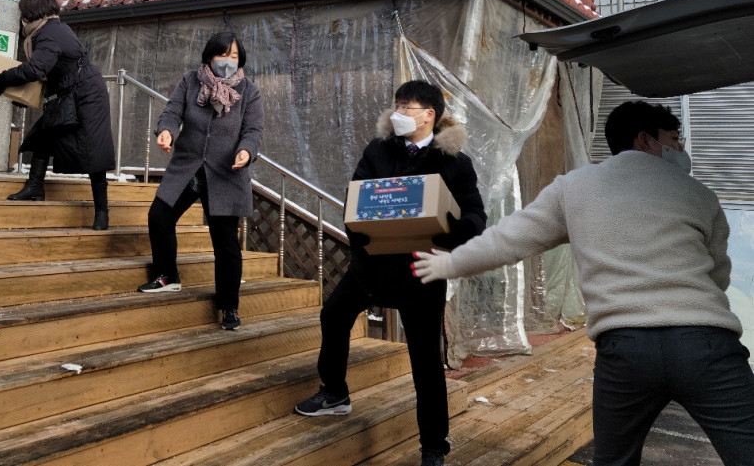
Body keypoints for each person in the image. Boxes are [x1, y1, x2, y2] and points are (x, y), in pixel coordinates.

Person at [413, 100, 754, 466]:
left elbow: (509, 239)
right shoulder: (698, 193)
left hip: (624, 349)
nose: (681, 147)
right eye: (673, 138)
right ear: (644, 139)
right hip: (706, 344)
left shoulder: (574, 187)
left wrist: (449, 263)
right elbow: (718, 274)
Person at [294, 79, 487, 466]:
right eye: (396, 105)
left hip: (421, 269)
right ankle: (335, 392)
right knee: (334, 315)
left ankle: (434, 445)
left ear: (429, 115)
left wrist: (445, 234)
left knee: (425, 360)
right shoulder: (378, 150)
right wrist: (364, 235)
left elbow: (475, 216)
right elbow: (355, 199)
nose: (397, 113)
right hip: (372, 264)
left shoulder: (454, 162)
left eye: (406, 107)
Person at [136, 31, 265, 332]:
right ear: (209, 56)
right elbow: (172, 112)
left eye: (234, 56)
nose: (228, 61)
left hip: (226, 173)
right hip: (188, 166)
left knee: (225, 243)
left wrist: (246, 151)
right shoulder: (190, 81)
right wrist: (166, 131)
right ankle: (168, 276)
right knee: (159, 216)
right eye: (223, 55)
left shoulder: (249, 91)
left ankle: (229, 306)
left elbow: (253, 130)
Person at [0, 0, 115, 231]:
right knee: (44, 133)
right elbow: (47, 72)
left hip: (87, 95)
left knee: (94, 149)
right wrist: (23, 95)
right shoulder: (50, 30)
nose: (22, 18)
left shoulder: (48, 34)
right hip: (72, 91)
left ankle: (102, 213)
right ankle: (35, 186)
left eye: (23, 13)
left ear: (31, 13)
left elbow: (35, 69)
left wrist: (3, 79)